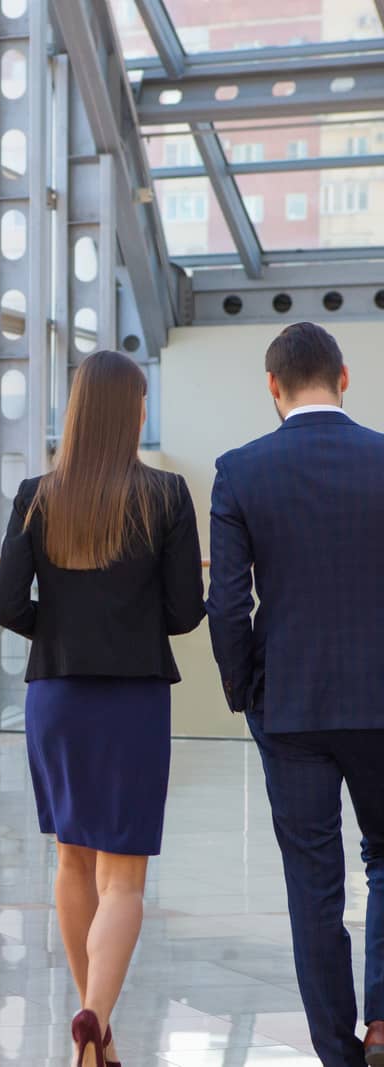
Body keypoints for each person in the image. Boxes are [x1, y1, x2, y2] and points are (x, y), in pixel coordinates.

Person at [0, 350, 204, 1067]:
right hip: (133, 697)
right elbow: (183, 611)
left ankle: (96, 1032)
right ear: (135, 410)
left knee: (73, 860)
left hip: (56, 695)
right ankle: (95, 1020)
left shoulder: (37, 494)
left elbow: (6, 604)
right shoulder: (167, 495)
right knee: (125, 876)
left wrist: (62, 629)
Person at [206, 321, 384, 1067]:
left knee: (312, 879)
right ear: (344, 376)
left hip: (291, 706)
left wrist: (247, 690)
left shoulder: (242, 469)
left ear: (273, 389)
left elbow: (225, 603)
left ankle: (337, 1052)